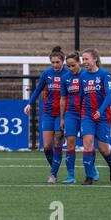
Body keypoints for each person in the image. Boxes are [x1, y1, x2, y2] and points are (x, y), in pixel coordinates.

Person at [24, 46, 69, 183]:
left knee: (57, 144)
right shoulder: (47, 73)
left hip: (62, 113)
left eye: (58, 62)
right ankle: (55, 167)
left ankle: (53, 175)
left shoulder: (68, 74)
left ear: (63, 61)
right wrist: (29, 103)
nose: (55, 65)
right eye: (53, 62)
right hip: (48, 112)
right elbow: (38, 90)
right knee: (47, 146)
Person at [60, 52, 99, 184]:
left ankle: (92, 168)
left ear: (79, 63)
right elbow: (63, 99)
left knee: (88, 143)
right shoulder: (65, 78)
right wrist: (62, 118)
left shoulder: (86, 75)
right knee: (70, 142)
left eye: (73, 65)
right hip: (70, 114)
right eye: (68, 66)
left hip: (85, 113)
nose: (70, 68)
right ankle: (70, 175)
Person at [79, 48, 111, 185]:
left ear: (95, 59)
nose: (84, 62)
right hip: (87, 115)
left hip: (102, 116)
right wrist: (80, 114)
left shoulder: (104, 74)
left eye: (86, 59)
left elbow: (108, 95)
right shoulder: (82, 75)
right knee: (87, 144)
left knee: (103, 148)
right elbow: (81, 96)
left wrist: (100, 111)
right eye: (83, 59)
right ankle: (89, 177)